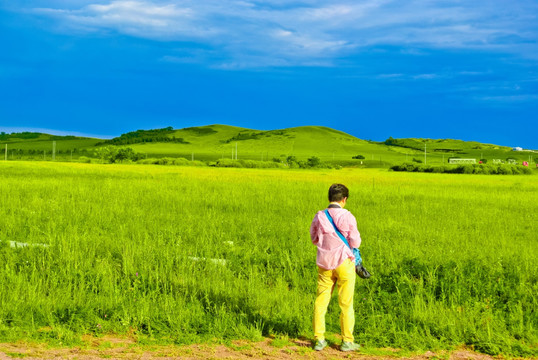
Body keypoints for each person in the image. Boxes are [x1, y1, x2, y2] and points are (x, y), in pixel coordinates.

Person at [310, 183, 361, 352]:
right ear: (344, 199)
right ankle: (347, 341)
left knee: (321, 300)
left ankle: (319, 339)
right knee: (346, 303)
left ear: (329, 197)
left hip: (324, 263)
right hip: (344, 262)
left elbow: (313, 238)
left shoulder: (320, 216)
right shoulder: (348, 216)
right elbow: (355, 242)